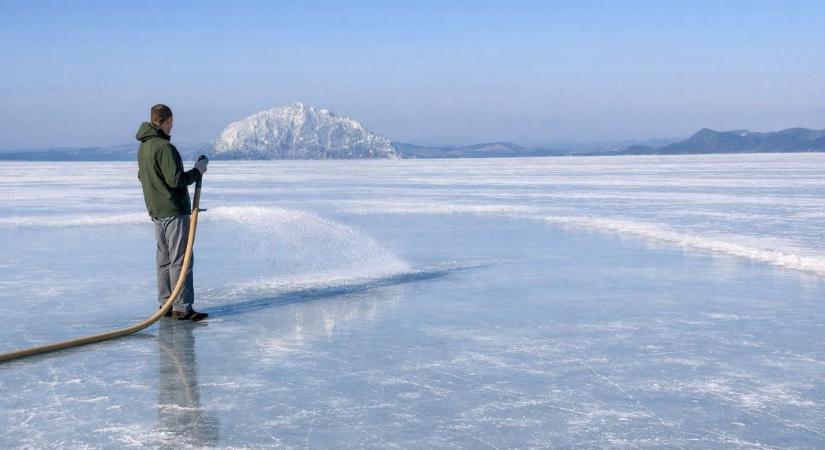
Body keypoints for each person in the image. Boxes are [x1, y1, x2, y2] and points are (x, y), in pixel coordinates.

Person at [136, 104, 209, 321]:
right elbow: (176, 180)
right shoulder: (164, 148)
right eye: (171, 122)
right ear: (167, 121)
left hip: (156, 210)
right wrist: (198, 171)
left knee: (164, 259)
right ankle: (181, 306)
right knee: (181, 259)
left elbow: (143, 176)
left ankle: (165, 302)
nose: (172, 126)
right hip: (173, 210)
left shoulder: (144, 147)